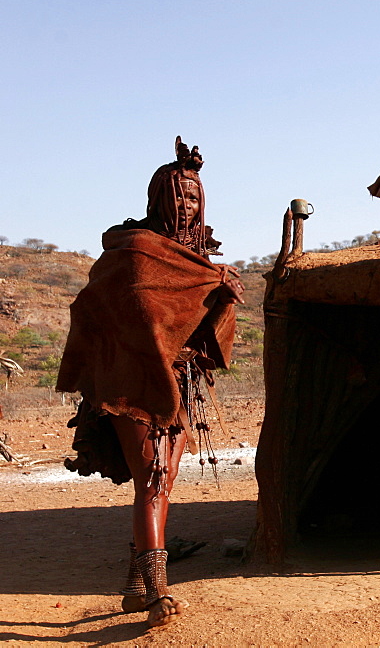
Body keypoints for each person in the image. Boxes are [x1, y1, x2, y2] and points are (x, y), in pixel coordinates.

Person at [57, 137, 244, 627]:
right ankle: (158, 591)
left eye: (195, 197)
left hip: (180, 380)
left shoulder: (197, 260)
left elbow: (199, 326)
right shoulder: (137, 250)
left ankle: (137, 583)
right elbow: (129, 308)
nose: (188, 204)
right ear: (159, 197)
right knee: (153, 483)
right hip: (134, 381)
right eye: (180, 195)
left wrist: (219, 290)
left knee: (161, 483)